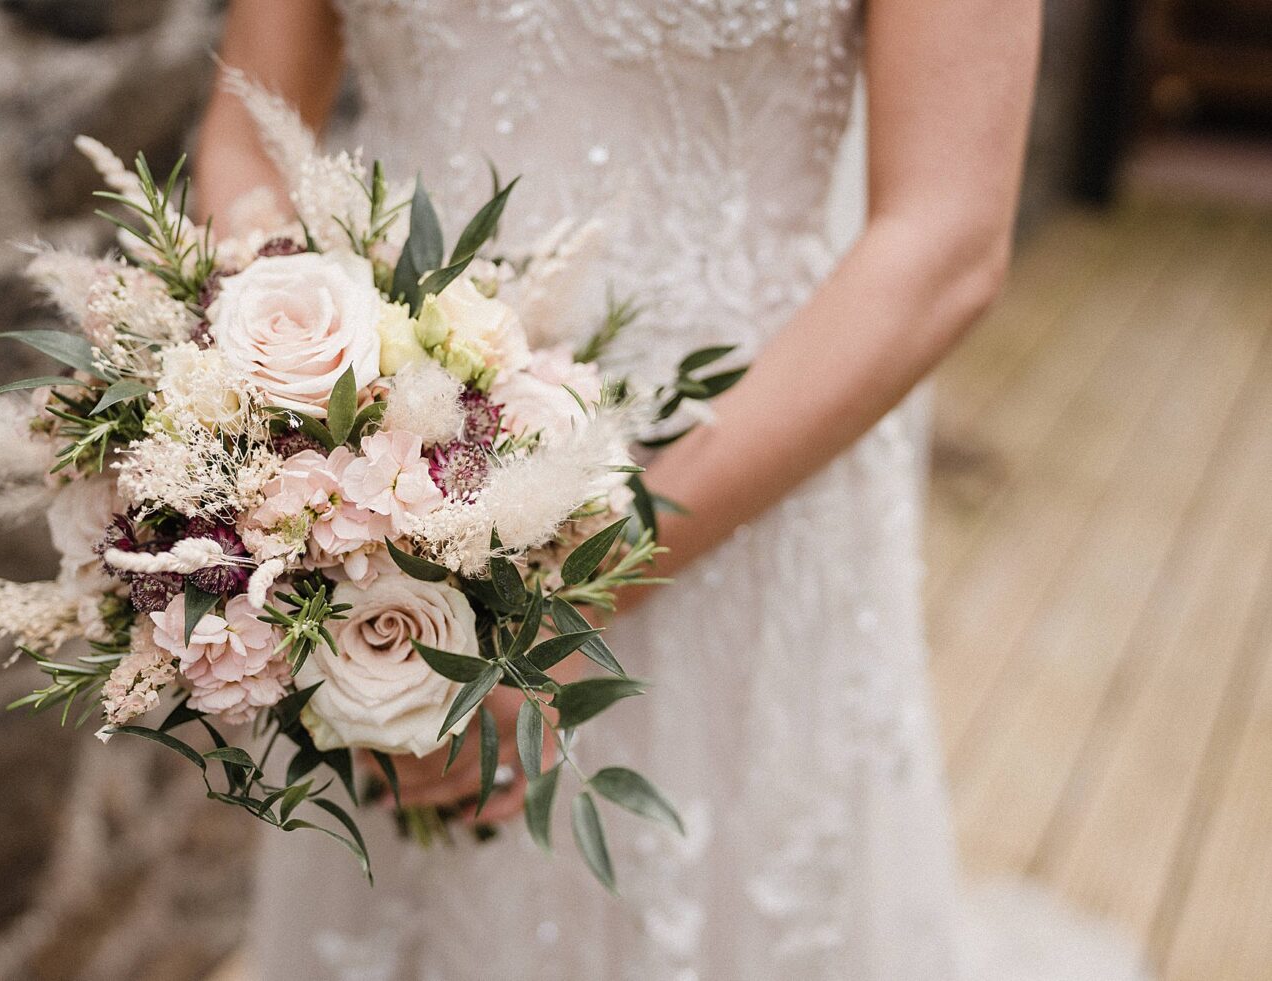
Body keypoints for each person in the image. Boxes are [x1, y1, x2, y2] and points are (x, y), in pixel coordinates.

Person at [194, 2, 1148, 978]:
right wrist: (302, 443)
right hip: (380, 521)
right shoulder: (347, 499)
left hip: (740, 487)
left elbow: (944, 240)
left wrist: (560, 605)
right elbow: (245, 134)